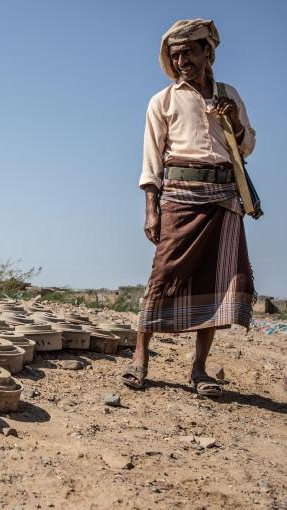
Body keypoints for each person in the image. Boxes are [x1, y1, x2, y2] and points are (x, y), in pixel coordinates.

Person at [121, 19, 256, 397]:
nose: (182, 60)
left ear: (207, 53)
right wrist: (151, 209)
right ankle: (140, 359)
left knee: (214, 281)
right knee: (163, 273)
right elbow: (151, 161)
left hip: (225, 196)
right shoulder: (161, 101)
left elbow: (247, 146)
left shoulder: (229, 95)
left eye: (189, 52)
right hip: (180, 196)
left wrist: (233, 121)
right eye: (175, 54)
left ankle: (199, 369)